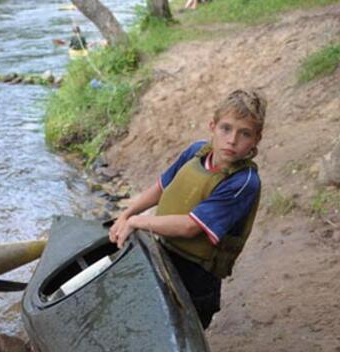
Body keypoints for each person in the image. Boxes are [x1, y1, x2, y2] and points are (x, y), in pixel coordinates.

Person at [109, 89, 267, 329]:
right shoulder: (196, 152)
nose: (232, 140)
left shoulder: (243, 183)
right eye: (226, 128)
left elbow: (190, 227)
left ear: (256, 139)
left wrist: (138, 222)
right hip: (165, 253)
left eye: (244, 133)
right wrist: (126, 214)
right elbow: (162, 187)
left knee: (182, 332)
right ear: (212, 126)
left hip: (197, 277)